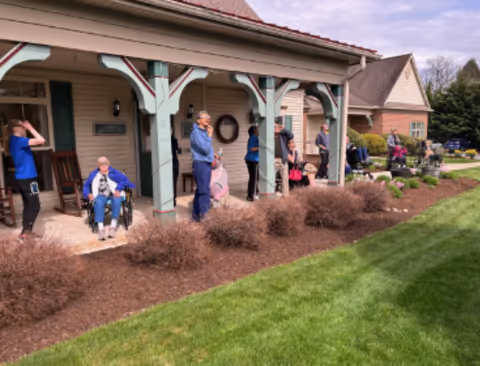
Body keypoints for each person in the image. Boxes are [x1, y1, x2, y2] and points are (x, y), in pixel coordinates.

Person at [4, 120, 45, 240]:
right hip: (28, 179)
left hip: (21, 179)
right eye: (23, 126)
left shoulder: (13, 141)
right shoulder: (19, 141)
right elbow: (41, 140)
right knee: (35, 206)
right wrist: (31, 128)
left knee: (28, 205)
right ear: (18, 128)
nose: (25, 129)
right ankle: (27, 232)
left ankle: (25, 232)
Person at [83, 157, 135, 240]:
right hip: (100, 194)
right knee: (99, 202)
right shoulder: (94, 174)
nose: (103, 166)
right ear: (98, 166)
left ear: (108, 164)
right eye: (101, 164)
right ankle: (101, 229)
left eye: (105, 164)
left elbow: (125, 180)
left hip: (113, 193)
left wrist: (118, 189)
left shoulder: (114, 172)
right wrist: (88, 194)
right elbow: (86, 186)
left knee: (117, 200)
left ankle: (113, 226)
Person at [190, 111, 214, 221]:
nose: (207, 119)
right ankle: (205, 217)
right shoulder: (196, 133)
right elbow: (204, 149)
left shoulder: (204, 132)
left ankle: (195, 217)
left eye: (208, 117)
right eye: (204, 117)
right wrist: (210, 135)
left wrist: (214, 154)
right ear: (198, 120)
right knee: (204, 191)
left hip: (206, 163)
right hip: (200, 164)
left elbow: (206, 149)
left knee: (200, 190)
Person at [274, 119, 294, 194]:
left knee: (285, 179)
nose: (276, 128)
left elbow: (291, 135)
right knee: (271, 179)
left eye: (277, 127)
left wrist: (283, 129)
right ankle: (271, 195)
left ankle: (285, 195)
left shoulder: (283, 136)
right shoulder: (269, 135)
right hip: (273, 160)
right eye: (274, 127)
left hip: (282, 160)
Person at [245, 125, 259, 201]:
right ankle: (251, 195)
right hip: (252, 160)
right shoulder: (254, 137)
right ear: (254, 131)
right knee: (254, 178)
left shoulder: (253, 137)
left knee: (254, 178)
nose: (259, 131)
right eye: (257, 129)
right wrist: (260, 147)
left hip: (251, 160)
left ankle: (252, 194)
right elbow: (251, 149)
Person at [171, 122, 180, 207]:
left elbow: (176, 150)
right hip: (166, 166)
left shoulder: (174, 140)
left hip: (174, 165)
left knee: (174, 183)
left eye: (171, 129)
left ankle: (173, 199)